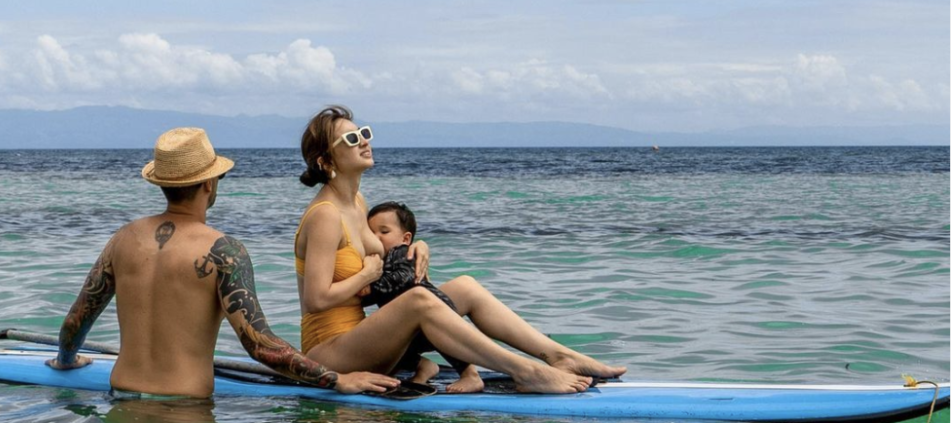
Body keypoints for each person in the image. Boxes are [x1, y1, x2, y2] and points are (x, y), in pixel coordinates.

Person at [293, 106, 626, 394]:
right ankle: (526, 371)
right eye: (351, 139)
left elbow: (378, 259)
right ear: (326, 160)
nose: (364, 140)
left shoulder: (356, 202)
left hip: (365, 337)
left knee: (464, 286)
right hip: (330, 353)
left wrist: (417, 245)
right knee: (419, 301)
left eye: (363, 132)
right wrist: (366, 274)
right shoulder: (325, 215)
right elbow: (316, 299)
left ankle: (558, 355)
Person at [47, 127, 399, 399]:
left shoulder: (122, 239)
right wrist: (337, 379)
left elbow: (78, 318)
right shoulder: (223, 250)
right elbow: (261, 346)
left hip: (121, 398)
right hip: (183, 408)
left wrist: (66, 360)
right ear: (209, 184)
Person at [364, 201, 483, 393]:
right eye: (372, 234)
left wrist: (369, 289)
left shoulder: (402, 252)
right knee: (390, 342)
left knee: (447, 342)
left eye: (384, 232)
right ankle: (424, 368)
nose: (377, 238)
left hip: (433, 311)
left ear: (406, 238)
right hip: (411, 321)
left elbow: (402, 278)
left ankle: (470, 375)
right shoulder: (384, 260)